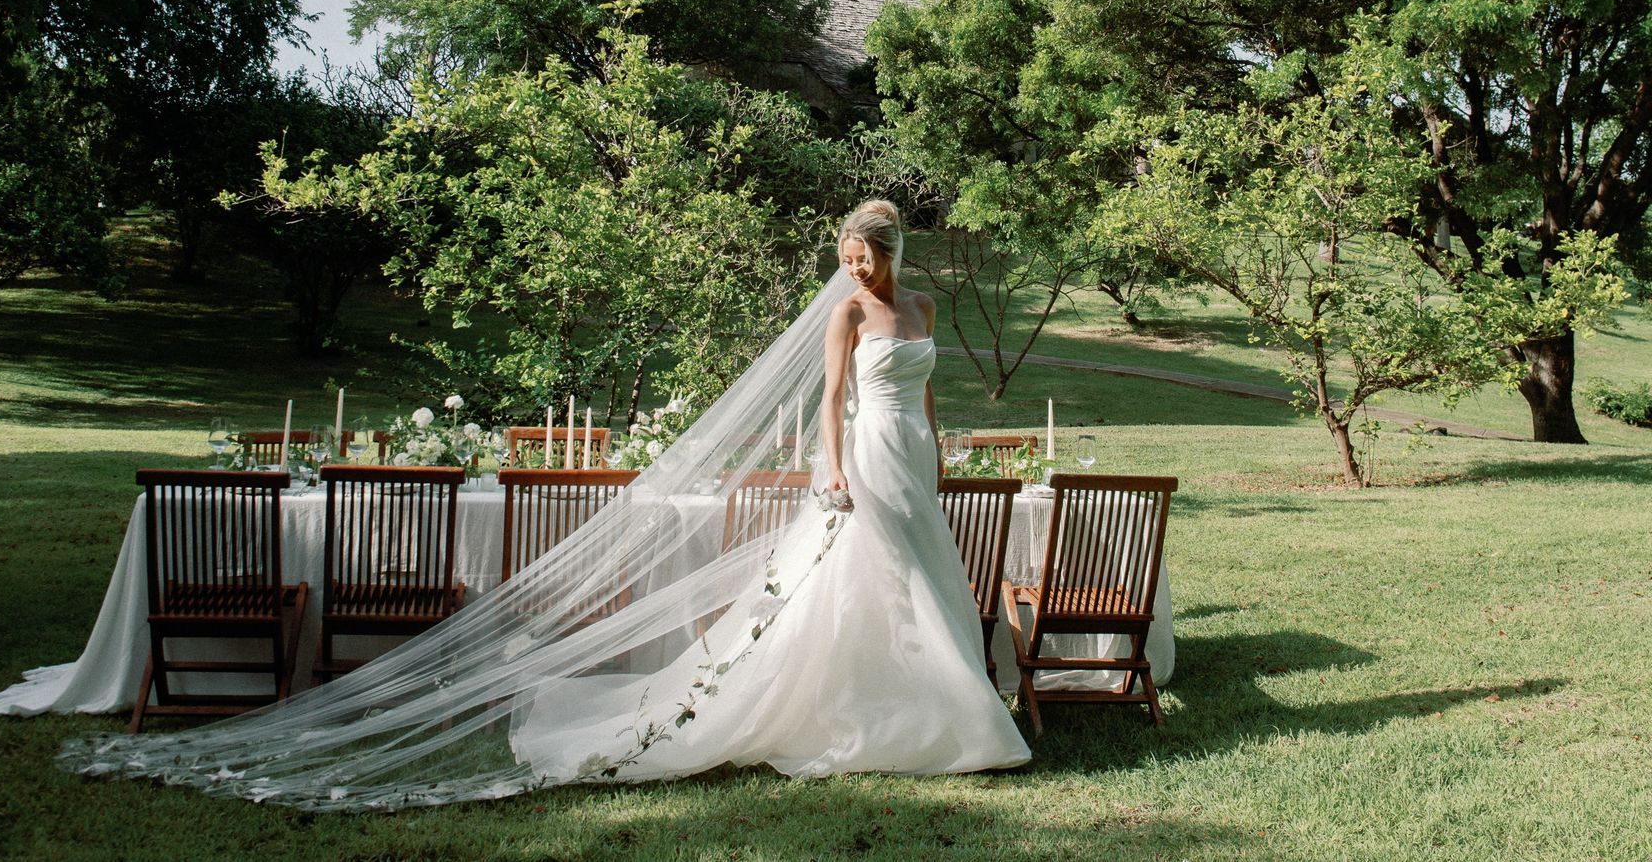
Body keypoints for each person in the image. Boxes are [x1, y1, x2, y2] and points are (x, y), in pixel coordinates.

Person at [61, 198, 1027, 809]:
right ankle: (856, 707)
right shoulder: (847, 313)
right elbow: (829, 399)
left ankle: (931, 707)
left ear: (894, 250)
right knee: (849, 581)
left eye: (865, 255)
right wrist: (831, 469)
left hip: (912, 454)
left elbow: (927, 395)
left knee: (918, 575)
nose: (853, 267)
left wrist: (936, 453)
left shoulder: (926, 310)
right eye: (847, 255)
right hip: (859, 454)